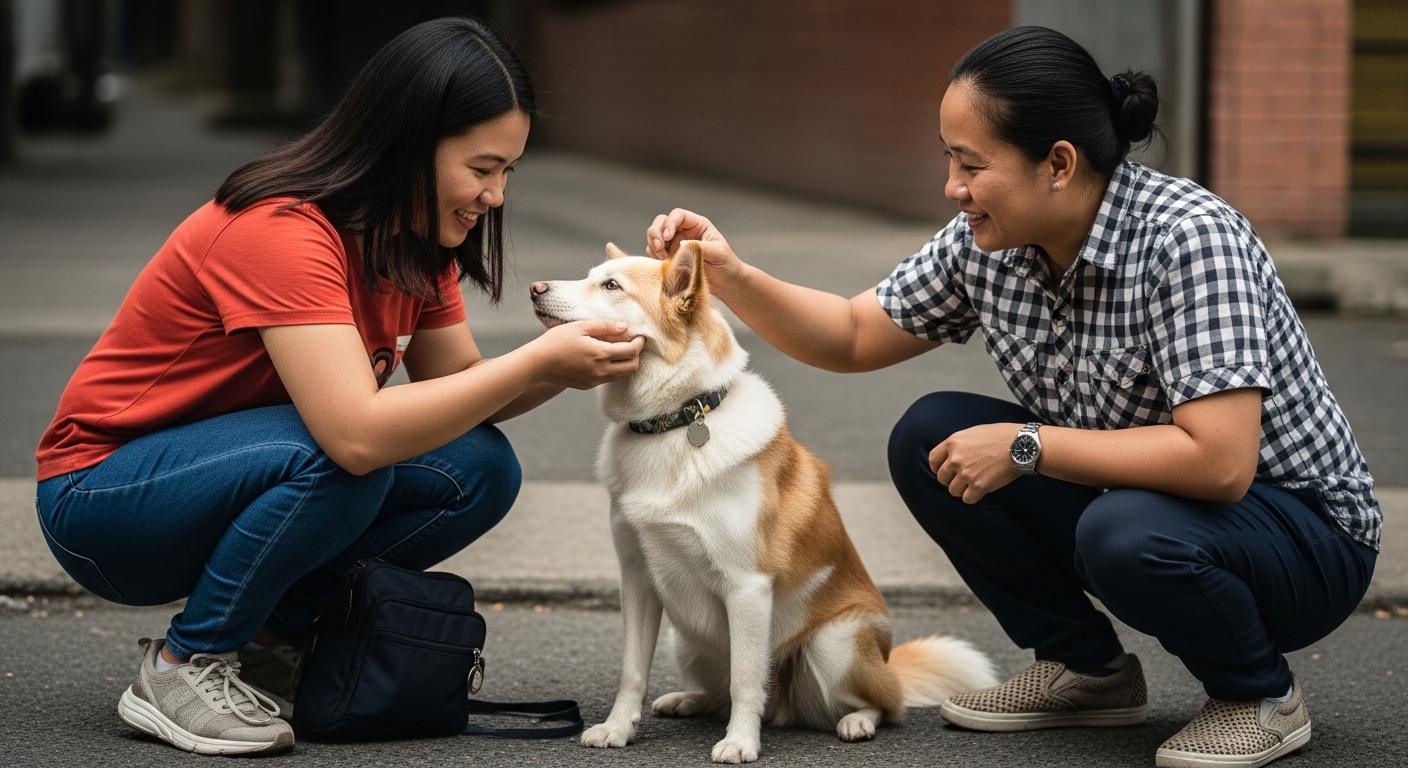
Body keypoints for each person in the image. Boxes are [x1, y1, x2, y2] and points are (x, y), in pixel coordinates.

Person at [643, 25, 1379, 768]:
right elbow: (853, 334)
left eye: (970, 164)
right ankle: (1087, 670)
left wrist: (1029, 447)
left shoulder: (1189, 239)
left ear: (1058, 164)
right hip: (1148, 502)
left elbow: (1221, 462)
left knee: (1118, 527)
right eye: (948, 160)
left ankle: (1259, 695)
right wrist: (728, 271)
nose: (952, 188)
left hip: (1302, 535)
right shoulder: (987, 240)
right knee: (930, 435)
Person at [34, 17, 644, 756]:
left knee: (480, 468)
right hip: (105, 501)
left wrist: (566, 360)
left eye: (508, 172)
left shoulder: (414, 243)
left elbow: (461, 391)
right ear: (409, 140)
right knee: (348, 458)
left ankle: (268, 641)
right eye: (482, 168)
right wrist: (542, 361)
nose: (496, 196)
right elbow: (355, 434)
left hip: (246, 474)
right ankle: (182, 663)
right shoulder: (282, 228)